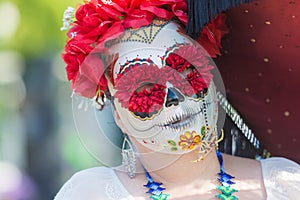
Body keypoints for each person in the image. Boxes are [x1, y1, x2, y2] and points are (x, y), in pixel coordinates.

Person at [55, 1, 300, 199]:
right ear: (118, 116)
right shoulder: (90, 193)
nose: (174, 97)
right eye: (146, 86)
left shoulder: (284, 185)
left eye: (187, 72)